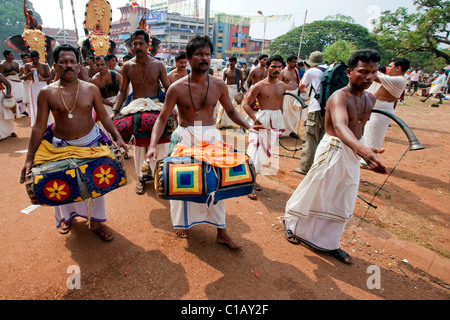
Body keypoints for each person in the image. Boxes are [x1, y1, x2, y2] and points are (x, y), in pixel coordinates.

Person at [145, 35, 264, 247]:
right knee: (182, 182)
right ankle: (181, 223)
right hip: (185, 137)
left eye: (207, 54)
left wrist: (249, 125)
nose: (204, 58)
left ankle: (221, 231)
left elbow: (231, 111)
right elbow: (162, 117)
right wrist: (153, 145)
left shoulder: (218, 84)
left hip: (211, 136)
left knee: (217, 183)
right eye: (199, 54)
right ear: (189, 58)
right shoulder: (176, 88)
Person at [284, 49, 388, 265]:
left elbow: (358, 127)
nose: (369, 77)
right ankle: (292, 225)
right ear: (349, 72)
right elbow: (341, 127)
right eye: (363, 71)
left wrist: (365, 148)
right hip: (333, 148)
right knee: (316, 191)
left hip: (352, 152)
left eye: (373, 72)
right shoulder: (338, 96)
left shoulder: (371, 98)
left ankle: (329, 243)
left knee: (342, 196)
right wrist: (361, 149)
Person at [20, 44, 128, 240]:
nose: (68, 65)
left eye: (72, 62)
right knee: (60, 183)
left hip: (90, 144)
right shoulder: (47, 93)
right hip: (60, 147)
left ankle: (96, 222)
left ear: (78, 65)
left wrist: (117, 137)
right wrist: (29, 158)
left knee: (96, 183)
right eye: (63, 62)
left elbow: (103, 117)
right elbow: (38, 126)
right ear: (55, 66)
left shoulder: (91, 89)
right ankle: (66, 218)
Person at [111, 30, 171, 195]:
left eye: (141, 43)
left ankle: (161, 178)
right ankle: (141, 178)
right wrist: (115, 111)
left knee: (161, 143)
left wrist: (173, 108)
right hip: (136, 107)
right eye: (135, 43)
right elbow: (122, 91)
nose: (137, 46)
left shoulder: (158, 65)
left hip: (156, 106)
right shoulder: (128, 66)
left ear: (147, 45)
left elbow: (168, 88)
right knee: (138, 146)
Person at [244, 55, 298, 200]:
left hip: (275, 121)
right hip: (261, 121)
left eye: (279, 67)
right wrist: (255, 119)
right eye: (273, 66)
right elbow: (245, 104)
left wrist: (280, 118)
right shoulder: (259, 86)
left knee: (265, 153)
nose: (276, 69)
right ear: (267, 67)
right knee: (254, 152)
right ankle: (249, 184)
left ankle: (253, 179)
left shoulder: (282, 86)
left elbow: (281, 103)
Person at [361, 57, 409, 164]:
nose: (388, 68)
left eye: (391, 66)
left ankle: (369, 160)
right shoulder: (392, 78)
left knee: (373, 137)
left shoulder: (399, 80)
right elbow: (380, 75)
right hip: (376, 110)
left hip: (381, 112)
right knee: (368, 134)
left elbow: (376, 76)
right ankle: (366, 159)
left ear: (398, 68)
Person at [294, 51, 328, 175]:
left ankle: (306, 167)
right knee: (323, 137)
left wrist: (308, 69)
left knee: (310, 137)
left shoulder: (311, 71)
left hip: (316, 108)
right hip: (329, 109)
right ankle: (319, 165)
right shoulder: (330, 70)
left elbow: (301, 86)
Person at [22, 50, 52, 127]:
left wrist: (42, 79)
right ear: (30, 58)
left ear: (39, 58)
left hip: (43, 86)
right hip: (33, 86)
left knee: (45, 104)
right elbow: (24, 78)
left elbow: (51, 77)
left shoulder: (44, 66)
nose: (35, 61)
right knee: (35, 104)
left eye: (36, 59)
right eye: (33, 59)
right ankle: (37, 123)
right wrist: (30, 73)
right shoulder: (27, 66)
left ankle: (47, 123)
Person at [216, 56, 243, 128]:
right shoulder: (226, 71)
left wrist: (239, 89)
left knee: (231, 107)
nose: (231, 63)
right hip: (227, 89)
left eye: (232, 61)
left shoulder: (238, 71)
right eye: (230, 61)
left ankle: (227, 123)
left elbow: (242, 81)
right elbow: (223, 81)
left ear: (235, 62)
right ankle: (220, 121)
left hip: (235, 90)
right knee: (223, 106)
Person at [279, 54, 301, 139]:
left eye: (296, 62)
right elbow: (279, 84)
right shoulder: (283, 72)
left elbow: (298, 81)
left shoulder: (296, 70)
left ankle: (292, 131)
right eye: (294, 62)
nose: (295, 63)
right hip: (286, 95)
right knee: (285, 113)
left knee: (294, 114)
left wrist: (300, 89)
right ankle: (282, 131)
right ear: (288, 62)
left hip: (295, 94)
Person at [0, 50, 23, 116]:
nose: (12, 56)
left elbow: (19, 73)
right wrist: (9, 73)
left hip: (17, 81)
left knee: (20, 97)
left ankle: (21, 111)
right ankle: (13, 112)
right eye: (11, 55)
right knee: (12, 97)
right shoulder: (2, 65)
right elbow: (1, 75)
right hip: (9, 81)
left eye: (12, 55)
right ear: (7, 56)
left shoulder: (16, 63)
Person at [0, 73, 17, 139]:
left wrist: (8, 94)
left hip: (1, 96)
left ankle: (11, 131)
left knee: (6, 115)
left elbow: (8, 84)